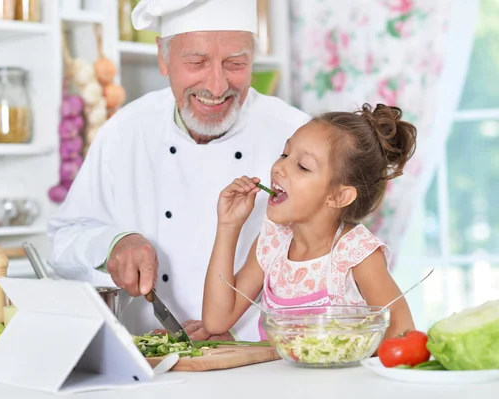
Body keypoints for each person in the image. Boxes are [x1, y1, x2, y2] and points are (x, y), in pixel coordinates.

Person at [46, 0, 311, 342]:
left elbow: (330, 253)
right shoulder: (126, 130)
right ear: (163, 57)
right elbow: (64, 242)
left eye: (235, 63)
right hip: (146, 361)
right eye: (196, 62)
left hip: (260, 361)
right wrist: (113, 244)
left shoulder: (296, 136)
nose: (217, 86)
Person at [202, 103, 417, 341]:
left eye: (303, 166)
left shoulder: (356, 253)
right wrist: (228, 227)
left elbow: (402, 330)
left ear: (338, 196)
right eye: (284, 154)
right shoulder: (273, 242)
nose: (280, 167)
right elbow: (216, 320)